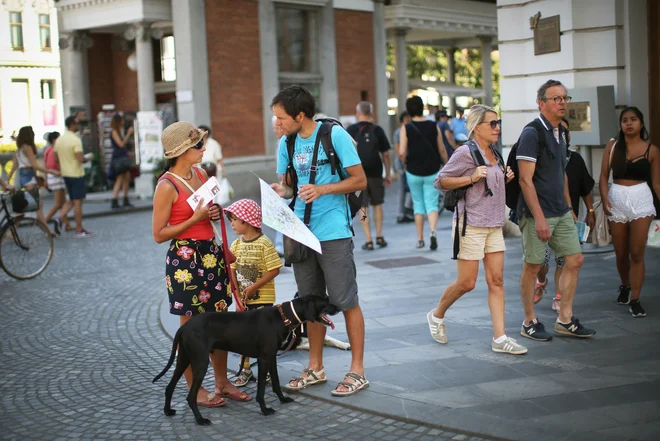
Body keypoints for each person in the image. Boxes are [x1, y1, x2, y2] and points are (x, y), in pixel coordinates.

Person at [270, 85, 369, 397]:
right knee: (309, 302)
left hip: (333, 231)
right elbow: (288, 186)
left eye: (282, 118)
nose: (277, 123)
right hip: (300, 232)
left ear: (301, 115)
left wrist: (322, 189)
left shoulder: (333, 135)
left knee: (345, 300)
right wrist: (279, 192)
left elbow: (360, 180)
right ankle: (315, 367)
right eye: (274, 117)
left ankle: (357, 370)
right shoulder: (285, 142)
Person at [152, 121, 252, 408]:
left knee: (218, 324)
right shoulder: (166, 185)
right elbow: (158, 234)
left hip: (211, 254)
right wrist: (194, 219)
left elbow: (205, 211)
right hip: (185, 260)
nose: (203, 148)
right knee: (192, 328)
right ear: (182, 150)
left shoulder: (200, 173)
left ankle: (221, 382)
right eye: (197, 145)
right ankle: (195, 389)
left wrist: (212, 214)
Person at [428, 105, 525, 354]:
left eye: (498, 122)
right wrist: (471, 177)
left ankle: (500, 338)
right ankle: (436, 315)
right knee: (467, 283)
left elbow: (490, 182)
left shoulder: (494, 152)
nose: (497, 128)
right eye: (492, 124)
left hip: (494, 224)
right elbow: (440, 181)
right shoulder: (465, 153)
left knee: (497, 280)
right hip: (470, 224)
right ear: (476, 127)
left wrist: (505, 176)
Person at [517, 79, 595, 341]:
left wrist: (569, 207)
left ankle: (565, 318)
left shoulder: (560, 132)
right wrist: (539, 218)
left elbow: (561, 174)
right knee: (533, 266)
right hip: (537, 213)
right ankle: (529, 321)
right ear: (542, 104)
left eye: (565, 98)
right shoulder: (531, 134)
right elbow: (525, 180)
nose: (563, 102)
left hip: (561, 211)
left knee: (575, 260)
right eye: (556, 98)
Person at [599, 107, 659, 318]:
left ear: (641, 124)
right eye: (625, 120)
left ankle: (635, 298)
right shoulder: (613, 146)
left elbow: (657, 183)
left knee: (636, 251)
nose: (629, 123)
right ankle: (625, 285)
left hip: (641, 199)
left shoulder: (651, 150)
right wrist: (604, 198)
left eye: (633, 119)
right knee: (621, 252)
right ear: (621, 124)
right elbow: (604, 175)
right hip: (617, 198)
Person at [534, 118, 596, 313]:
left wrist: (591, 211)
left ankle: (559, 297)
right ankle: (541, 279)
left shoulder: (575, 159)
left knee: (565, 260)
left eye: (564, 132)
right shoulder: (541, 156)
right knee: (541, 263)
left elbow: (586, 188)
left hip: (567, 218)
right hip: (543, 218)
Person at [225, 199, 282, 387]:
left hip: (263, 301)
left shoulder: (264, 243)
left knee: (263, 336)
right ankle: (245, 369)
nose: (231, 224)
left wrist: (254, 287)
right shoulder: (235, 245)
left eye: (234, 219)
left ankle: (265, 371)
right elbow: (232, 269)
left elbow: (274, 270)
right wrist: (237, 295)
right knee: (243, 336)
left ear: (246, 220)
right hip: (243, 301)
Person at [398, 96, 448, 249]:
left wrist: (406, 163)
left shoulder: (406, 128)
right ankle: (433, 231)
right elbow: (441, 148)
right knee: (432, 204)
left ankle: (420, 239)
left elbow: (401, 152)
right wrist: (446, 164)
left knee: (418, 204)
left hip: (413, 171)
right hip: (432, 169)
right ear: (422, 108)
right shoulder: (434, 126)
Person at [347, 101, 392, 250]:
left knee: (363, 207)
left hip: (358, 176)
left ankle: (368, 239)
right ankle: (379, 235)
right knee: (378, 204)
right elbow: (386, 154)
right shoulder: (377, 129)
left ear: (358, 112)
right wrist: (388, 173)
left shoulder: (351, 130)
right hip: (376, 174)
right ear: (371, 113)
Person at [7, 126, 59, 236]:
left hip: (23, 175)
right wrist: (51, 171)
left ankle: (12, 231)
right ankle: (46, 231)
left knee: (28, 205)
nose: (34, 135)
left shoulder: (20, 149)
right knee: (36, 204)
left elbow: (14, 166)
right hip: (29, 176)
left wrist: (7, 181)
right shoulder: (28, 148)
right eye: (32, 133)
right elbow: (35, 165)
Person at [55, 116, 93, 238]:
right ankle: (79, 229)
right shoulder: (75, 140)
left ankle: (59, 217)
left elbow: (56, 158)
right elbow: (81, 159)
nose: (78, 125)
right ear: (72, 124)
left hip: (65, 173)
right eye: (77, 123)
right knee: (78, 203)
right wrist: (89, 157)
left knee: (71, 200)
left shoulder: (59, 139)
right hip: (76, 174)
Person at [43, 131, 73, 234]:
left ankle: (67, 224)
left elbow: (46, 166)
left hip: (53, 177)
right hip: (57, 177)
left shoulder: (48, 150)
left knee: (63, 203)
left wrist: (46, 179)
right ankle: (44, 222)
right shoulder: (55, 150)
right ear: (55, 140)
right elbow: (56, 164)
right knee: (58, 204)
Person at [109, 114, 134, 209]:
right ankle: (115, 200)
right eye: (122, 120)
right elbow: (121, 144)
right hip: (118, 158)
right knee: (120, 178)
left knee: (126, 178)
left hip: (121, 156)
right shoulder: (114, 132)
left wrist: (126, 152)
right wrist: (128, 134)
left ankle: (125, 198)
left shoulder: (119, 131)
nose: (123, 122)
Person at [393, 111, 414, 223]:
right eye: (406, 120)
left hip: (409, 163)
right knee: (403, 189)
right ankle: (401, 212)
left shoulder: (410, 131)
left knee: (411, 188)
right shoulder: (398, 132)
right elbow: (398, 149)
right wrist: (404, 162)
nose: (408, 122)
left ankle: (408, 210)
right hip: (402, 164)